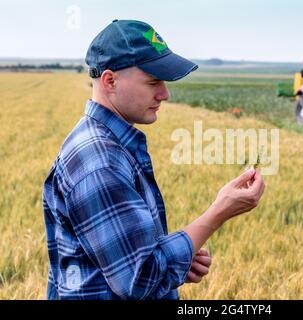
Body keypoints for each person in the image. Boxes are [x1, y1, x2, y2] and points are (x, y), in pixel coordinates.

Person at [42, 19, 265, 300]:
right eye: (153, 82)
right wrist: (218, 212)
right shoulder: (100, 163)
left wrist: (179, 259)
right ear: (110, 80)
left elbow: (127, 261)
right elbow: (140, 281)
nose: (165, 93)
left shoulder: (106, 143)